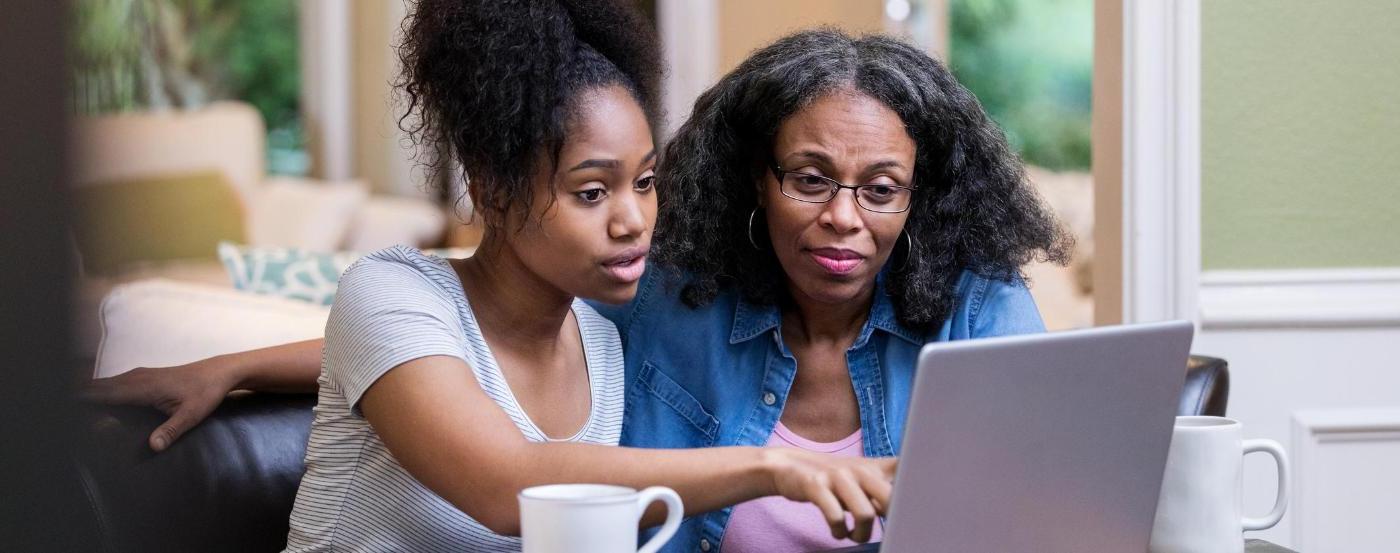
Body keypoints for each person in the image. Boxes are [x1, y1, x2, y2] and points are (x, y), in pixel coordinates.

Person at [89, 25, 1068, 553]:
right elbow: (494, 444)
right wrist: (770, 466)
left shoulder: (604, 327)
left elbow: (473, 357)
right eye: (592, 190)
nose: (634, 220)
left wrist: (238, 356)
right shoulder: (407, 297)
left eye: (645, 183)